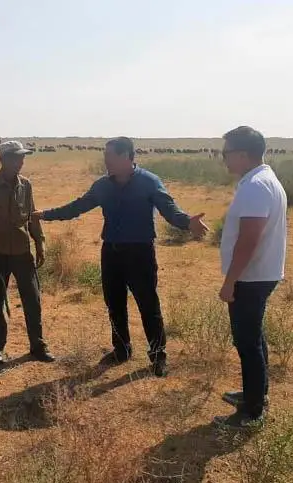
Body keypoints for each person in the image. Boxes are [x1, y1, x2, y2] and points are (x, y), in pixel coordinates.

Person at [32, 137, 207, 377]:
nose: (105, 160)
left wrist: (188, 222)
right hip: (111, 252)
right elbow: (77, 207)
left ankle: (158, 356)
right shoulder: (103, 185)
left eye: (109, 156)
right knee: (114, 304)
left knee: (148, 305)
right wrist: (45, 215)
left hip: (140, 253)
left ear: (126, 156)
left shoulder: (149, 182)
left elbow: (170, 210)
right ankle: (121, 349)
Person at [214, 126, 287, 429]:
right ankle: (257, 394)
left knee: (246, 341)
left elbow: (248, 240)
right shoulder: (262, 181)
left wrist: (230, 281)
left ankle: (252, 412)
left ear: (243, 155)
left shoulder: (256, 187)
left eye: (226, 153)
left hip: (251, 277)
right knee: (253, 337)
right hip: (259, 274)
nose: (224, 159)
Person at [0, 140, 54, 364]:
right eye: (17, 157)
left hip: (23, 254)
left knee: (32, 300)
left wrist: (40, 243)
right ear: (3, 159)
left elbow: (32, 217)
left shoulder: (26, 185)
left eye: (22, 157)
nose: (21, 161)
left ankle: (38, 346)